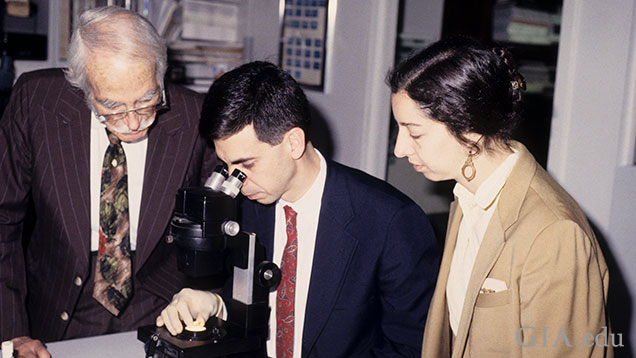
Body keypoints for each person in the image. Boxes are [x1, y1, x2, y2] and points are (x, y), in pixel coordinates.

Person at [156, 61, 441, 357]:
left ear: (294, 143)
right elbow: (252, 305)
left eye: (246, 165)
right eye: (227, 166)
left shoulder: (390, 221)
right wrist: (218, 305)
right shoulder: (245, 209)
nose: (235, 181)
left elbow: (411, 348)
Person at [0, 6, 217, 358]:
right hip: (58, 300)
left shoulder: (194, 116)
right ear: (81, 82)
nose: (132, 122)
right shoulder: (35, 101)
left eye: (147, 100)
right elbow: (3, 222)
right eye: (112, 106)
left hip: (157, 300)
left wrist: (203, 294)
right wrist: (11, 333)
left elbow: (218, 228)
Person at [388, 36, 612, 357]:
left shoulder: (554, 234)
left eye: (415, 132)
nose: (400, 148)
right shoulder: (468, 196)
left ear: (469, 128)